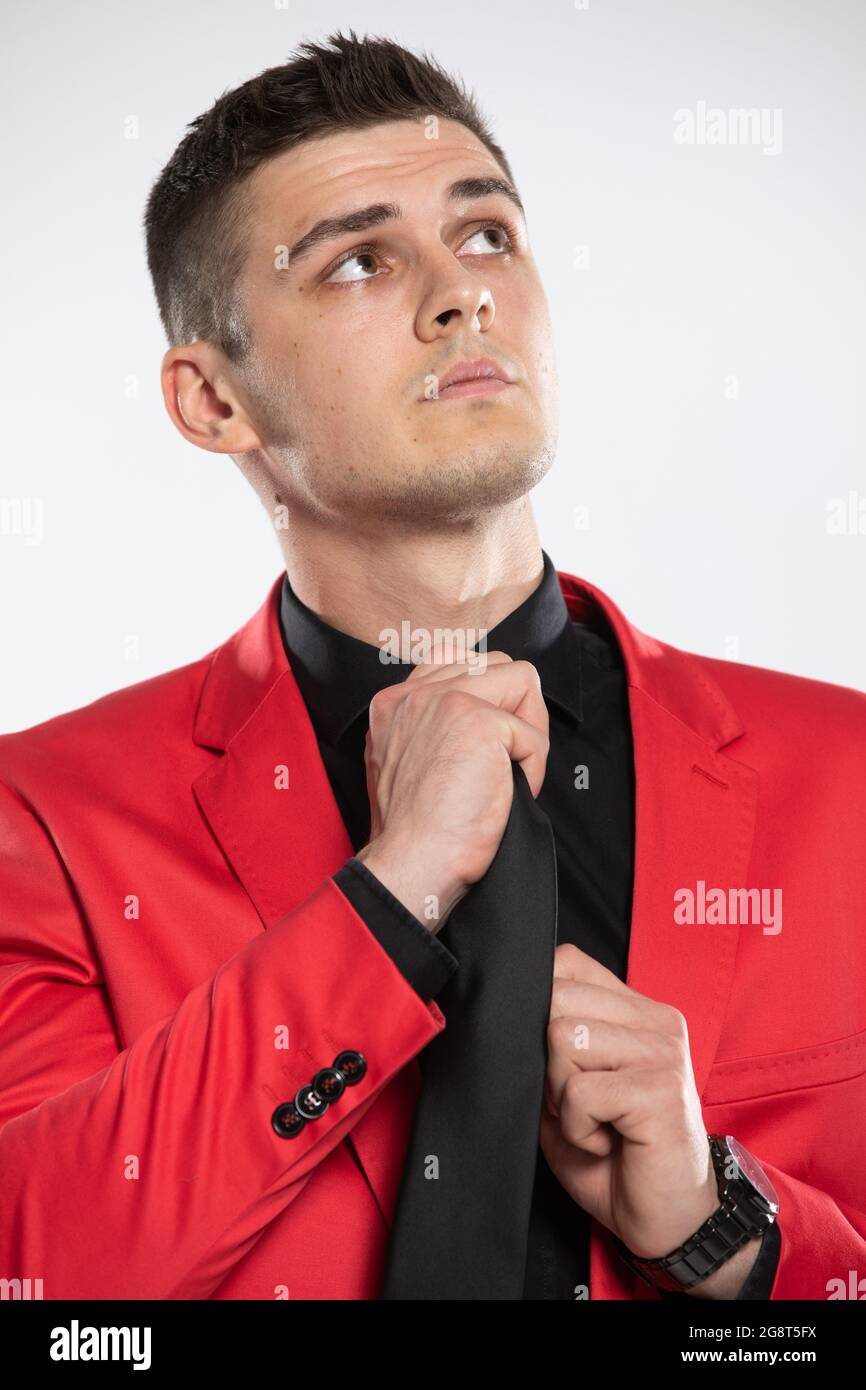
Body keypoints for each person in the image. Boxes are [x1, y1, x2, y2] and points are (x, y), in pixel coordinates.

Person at [1, 31, 864, 1303]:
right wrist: (389, 901)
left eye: (486, 237)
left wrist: (718, 1228)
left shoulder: (844, 780)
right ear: (211, 402)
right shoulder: (43, 818)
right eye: (359, 259)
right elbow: (39, 1272)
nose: (461, 295)